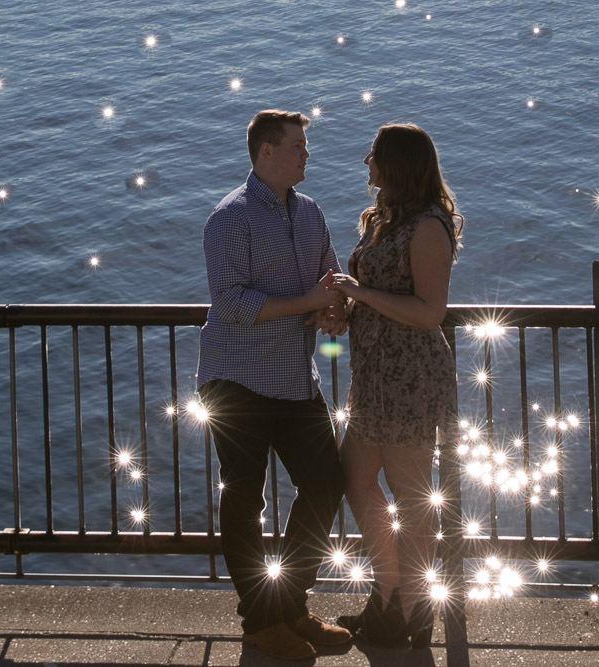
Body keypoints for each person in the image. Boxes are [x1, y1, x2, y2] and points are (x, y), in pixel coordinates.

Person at [196, 109, 352, 661]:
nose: (307, 154)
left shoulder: (310, 213)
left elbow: (330, 282)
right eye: (298, 146)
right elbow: (231, 304)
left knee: (328, 482)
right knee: (245, 495)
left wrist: (336, 312)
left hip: (292, 376)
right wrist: (310, 302)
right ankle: (261, 623)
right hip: (236, 376)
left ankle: (288, 605)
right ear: (266, 152)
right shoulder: (228, 218)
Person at [328, 123, 464, 647]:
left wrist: (361, 293)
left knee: (410, 496)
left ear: (399, 163)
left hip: (410, 375)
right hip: (374, 373)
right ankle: (387, 590)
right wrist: (345, 307)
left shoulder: (429, 226)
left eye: (376, 155)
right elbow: (376, 292)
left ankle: (409, 610)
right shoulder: (382, 217)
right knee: (356, 478)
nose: (366, 162)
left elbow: (431, 313)